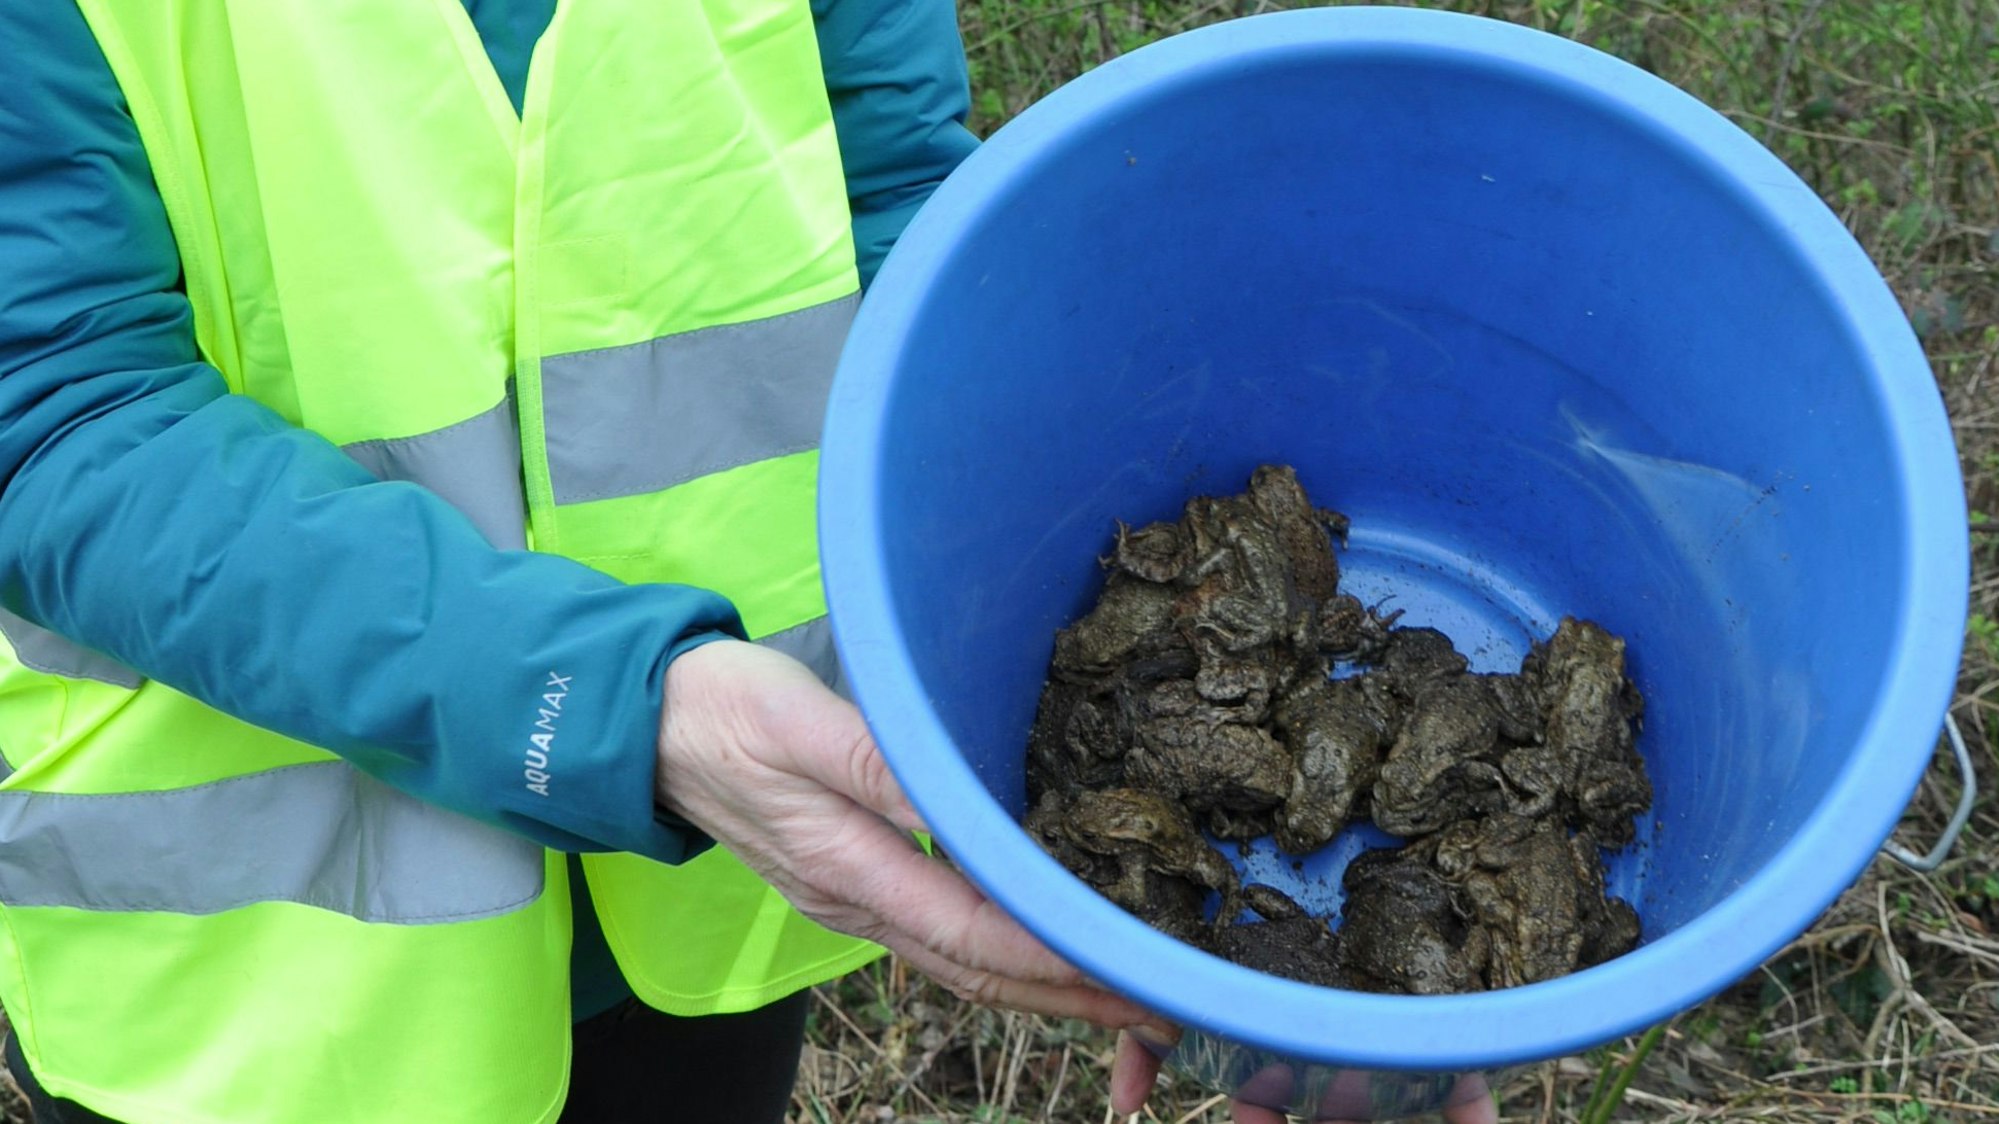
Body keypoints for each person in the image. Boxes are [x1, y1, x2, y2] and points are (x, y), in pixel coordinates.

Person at [0, 2, 1501, 1121]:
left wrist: (1212, 891)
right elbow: (52, 400)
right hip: (277, 989)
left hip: (710, 905)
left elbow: (909, 230)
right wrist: (613, 709)